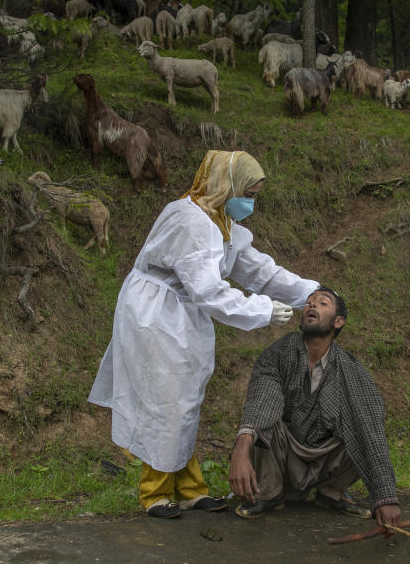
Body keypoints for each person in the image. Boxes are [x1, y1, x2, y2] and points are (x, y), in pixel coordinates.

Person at [88, 150, 319, 519]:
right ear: (227, 186)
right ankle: (155, 493)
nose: (251, 202)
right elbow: (208, 291)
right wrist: (262, 311)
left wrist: (311, 292)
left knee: (185, 399)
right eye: (250, 193)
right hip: (156, 312)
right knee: (164, 400)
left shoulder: (221, 221)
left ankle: (191, 489)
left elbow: (261, 272)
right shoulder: (192, 221)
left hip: (182, 311)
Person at [228, 287, 402, 530]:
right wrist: (240, 450)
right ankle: (269, 494)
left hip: (325, 460)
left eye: (322, 303)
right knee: (260, 425)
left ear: (338, 321)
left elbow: (370, 430)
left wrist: (385, 497)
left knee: (363, 424)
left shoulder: (350, 369)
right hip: (283, 457)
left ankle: (330, 492)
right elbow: (262, 401)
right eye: (309, 302)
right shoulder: (280, 352)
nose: (311, 306)